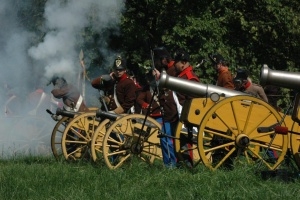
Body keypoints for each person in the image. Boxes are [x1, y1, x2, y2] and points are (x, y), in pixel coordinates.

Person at [173, 48, 200, 167]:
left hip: (188, 115)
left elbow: (194, 99)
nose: (175, 65)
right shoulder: (182, 76)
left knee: (184, 141)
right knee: (180, 140)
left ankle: (187, 164)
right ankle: (183, 164)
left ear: (183, 63)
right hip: (181, 113)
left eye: (177, 63)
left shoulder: (189, 77)